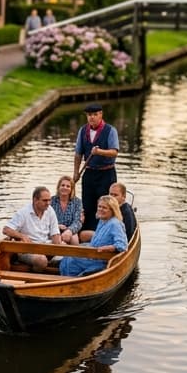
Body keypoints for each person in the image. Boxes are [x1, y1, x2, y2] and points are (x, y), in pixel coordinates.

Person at [73, 101, 119, 232]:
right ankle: (87, 233)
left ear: (100, 114)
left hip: (106, 173)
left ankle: (105, 231)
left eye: (94, 114)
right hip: (89, 173)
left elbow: (114, 152)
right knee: (88, 205)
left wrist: (100, 152)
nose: (91, 117)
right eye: (89, 115)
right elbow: (78, 153)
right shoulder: (83, 130)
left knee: (105, 205)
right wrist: (76, 172)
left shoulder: (110, 130)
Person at [59, 195, 128, 276]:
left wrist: (107, 248)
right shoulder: (102, 220)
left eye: (104, 208)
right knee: (69, 256)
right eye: (99, 206)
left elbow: (122, 245)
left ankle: (70, 280)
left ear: (112, 210)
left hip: (101, 259)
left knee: (72, 260)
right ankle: (66, 278)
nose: (100, 209)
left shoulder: (115, 224)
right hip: (93, 254)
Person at [2, 186, 63, 268]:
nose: (48, 203)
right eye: (45, 200)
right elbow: (6, 230)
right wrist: (22, 236)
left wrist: (58, 246)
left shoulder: (50, 210)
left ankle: (48, 266)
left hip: (46, 246)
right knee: (41, 260)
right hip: (28, 250)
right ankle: (38, 272)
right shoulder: (23, 213)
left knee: (66, 252)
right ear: (35, 200)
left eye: (49, 200)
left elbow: (55, 234)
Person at [50, 174, 83, 244]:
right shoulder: (51, 201)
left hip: (71, 230)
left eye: (68, 186)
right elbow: (46, 219)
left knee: (74, 240)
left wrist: (69, 231)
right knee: (56, 239)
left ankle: (72, 255)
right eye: (62, 185)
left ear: (71, 189)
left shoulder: (77, 202)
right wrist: (57, 226)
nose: (65, 187)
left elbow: (78, 221)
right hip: (54, 229)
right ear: (58, 187)